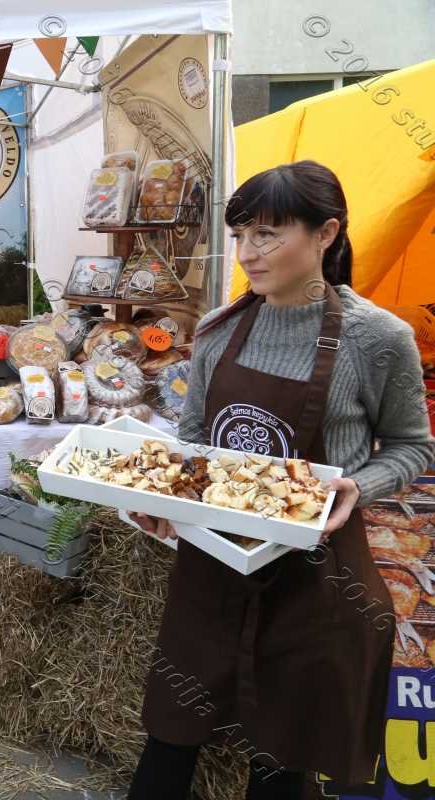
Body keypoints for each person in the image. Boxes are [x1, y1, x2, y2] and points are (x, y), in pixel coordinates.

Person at [127, 161, 435, 800]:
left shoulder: (379, 340)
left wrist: (358, 486)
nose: (247, 254)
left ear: (326, 233)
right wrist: (161, 498)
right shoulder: (218, 329)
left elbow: (412, 447)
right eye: (240, 235)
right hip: (212, 566)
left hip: (315, 578)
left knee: (279, 760)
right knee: (170, 741)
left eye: (267, 234)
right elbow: (193, 442)